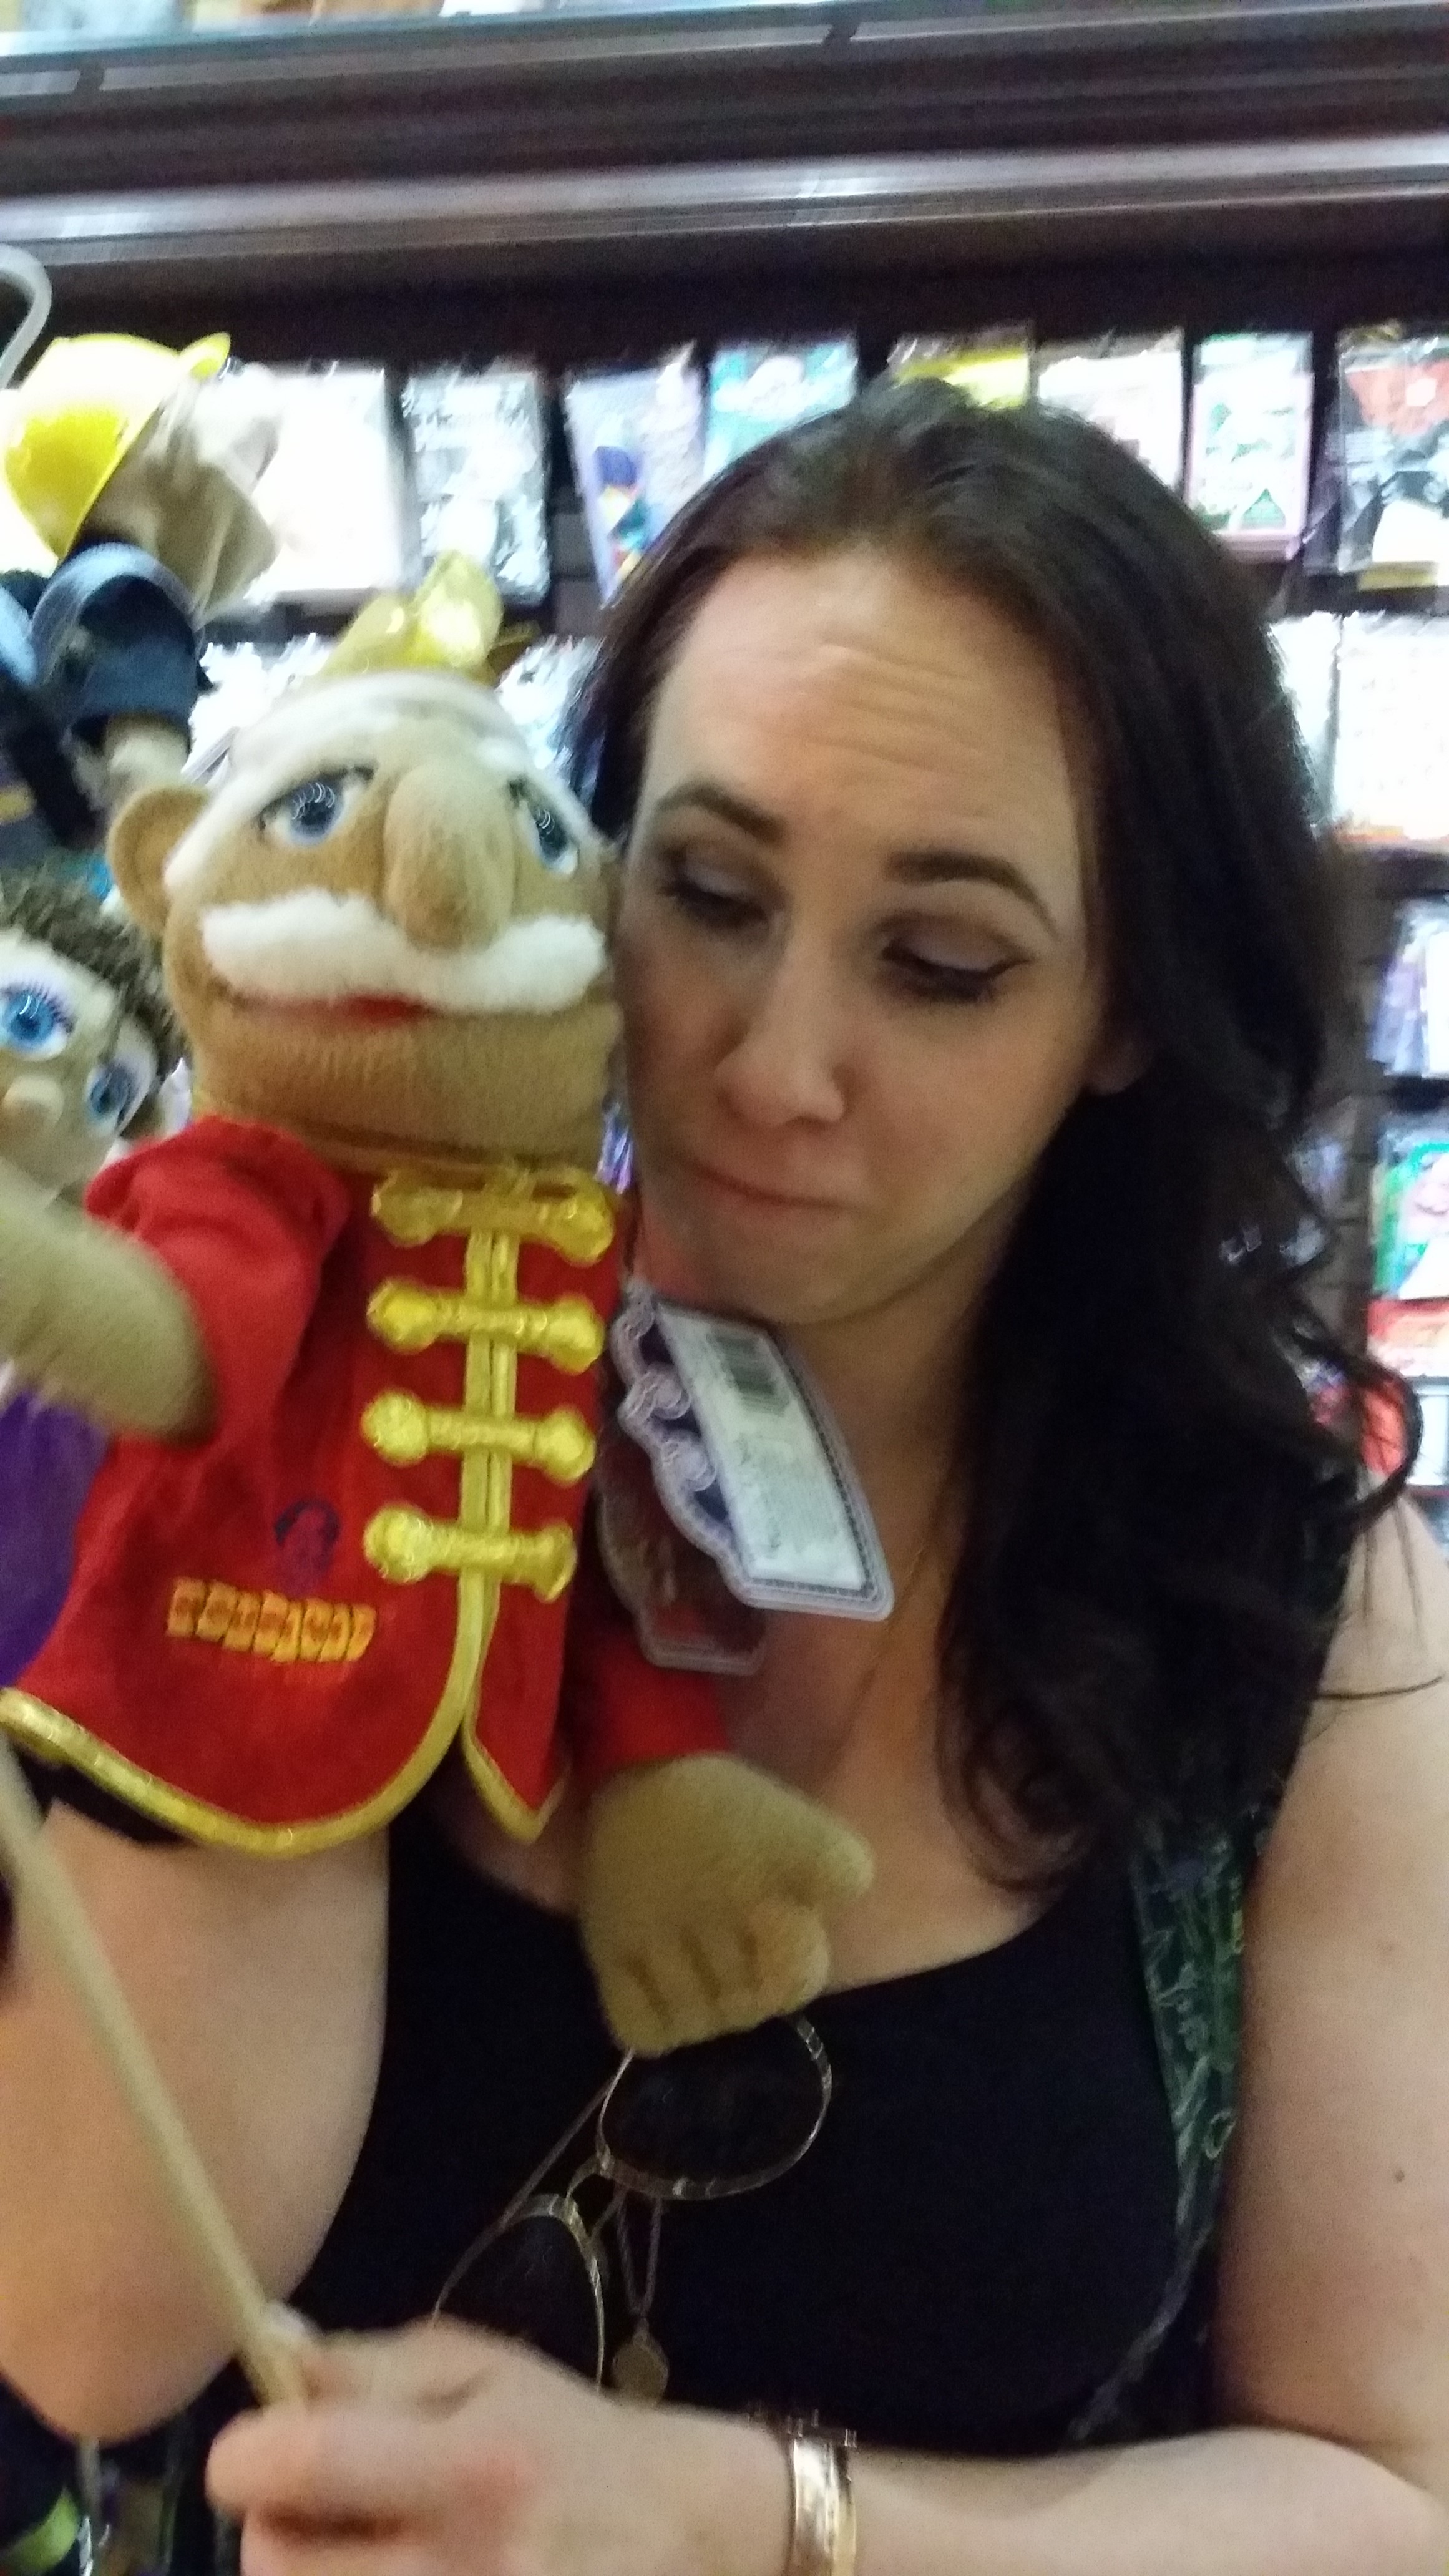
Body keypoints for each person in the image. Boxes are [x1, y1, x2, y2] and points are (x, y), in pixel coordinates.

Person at [3, 376, 1449, 2576]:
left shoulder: (1287, 1596)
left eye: (942, 965)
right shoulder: (318, 1380)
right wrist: (299, 1462)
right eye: (704, 894)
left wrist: (739, 2519)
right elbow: (86, 2326)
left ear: (1126, 1012)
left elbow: (1389, 2493)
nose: (773, 1071)